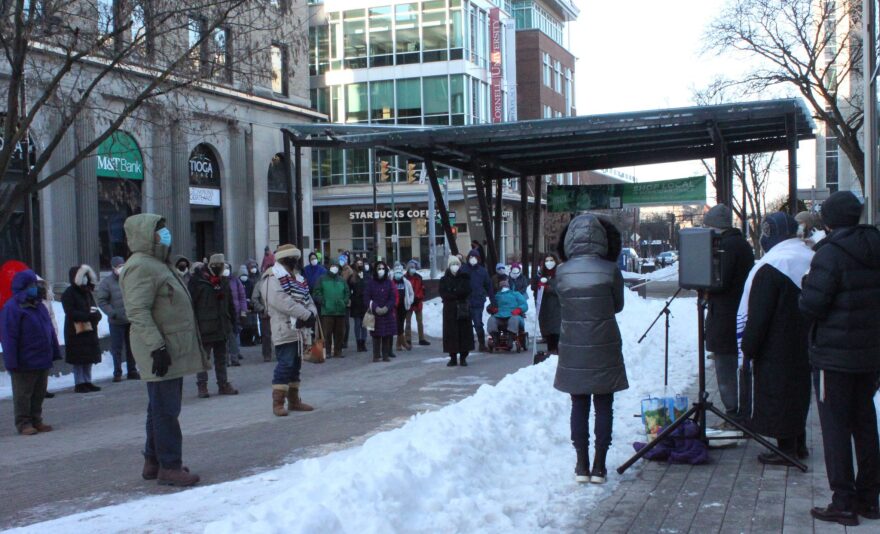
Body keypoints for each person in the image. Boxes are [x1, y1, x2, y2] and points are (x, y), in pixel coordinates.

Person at [799, 191, 880, 526]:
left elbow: (811, 305)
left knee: (834, 429)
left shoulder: (829, 255)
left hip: (834, 359)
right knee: (865, 424)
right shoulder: (875, 246)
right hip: (870, 355)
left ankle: (843, 501)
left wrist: (806, 285)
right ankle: (869, 499)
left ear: (829, 221)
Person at [120, 214, 206, 486]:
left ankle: (153, 460)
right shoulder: (141, 267)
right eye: (159, 231)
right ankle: (170, 465)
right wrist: (156, 347)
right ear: (145, 236)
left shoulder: (158, 264)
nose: (165, 234)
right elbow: (137, 311)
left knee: (158, 407)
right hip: (160, 349)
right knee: (166, 410)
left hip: (169, 347)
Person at [553, 214, 627, 485]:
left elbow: (563, 304)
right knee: (604, 404)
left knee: (579, 404)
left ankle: (581, 464)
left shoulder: (561, 272)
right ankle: (599, 466)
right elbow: (617, 306)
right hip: (605, 344)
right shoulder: (610, 270)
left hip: (574, 346)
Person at [738, 212, 813, 466]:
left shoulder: (772, 265)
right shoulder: (809, 257)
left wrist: (748, 346)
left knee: (779, 395)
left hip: (775, 346)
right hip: (806, 342)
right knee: (799, 394)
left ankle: (786, 449)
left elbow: (759, 314)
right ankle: (799, 443)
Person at [703, 203, 754, 424]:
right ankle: (743, 411)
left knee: (725, 367)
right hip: (737, 314)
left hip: (725, 316)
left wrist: (704, 285)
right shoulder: (741, 244)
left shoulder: (727, 246)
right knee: (739, 366)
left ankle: (733, 414)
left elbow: (719, 281)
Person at [1, 270, 61, 435]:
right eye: (32, 285)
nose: (36, 287)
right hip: (24, 361)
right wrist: (11, 361)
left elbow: (49, 329)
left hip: (42, 358)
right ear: (23, 287)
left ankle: (36, 420)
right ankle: (23, 423)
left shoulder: (39, 305)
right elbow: (9, 337)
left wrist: (54, 351)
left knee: (38, 393)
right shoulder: (12, 308)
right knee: (23, 395)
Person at [262, 244, 317, 416]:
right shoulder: (272, 277)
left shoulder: (298, 278)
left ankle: (294, 401)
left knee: (295, 366)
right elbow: (282, 301)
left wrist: (311, 314)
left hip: (299, 330)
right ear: (284, 259)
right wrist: (305, 314)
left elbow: (309, 300)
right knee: (285, 364)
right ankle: (278, 403)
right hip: (284, 328)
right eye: (292, 259)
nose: (295, 262)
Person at [189, 254, 238, 398]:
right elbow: (191, 304)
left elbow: (229, 303)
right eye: (216, 266)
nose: (219, 269)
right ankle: (202, 385)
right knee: (204, 359)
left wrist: (233, 322)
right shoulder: (198, 281)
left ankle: (223, 384)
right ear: (209, 265)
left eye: (221, 266)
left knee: (221, 358)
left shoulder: (223, 281)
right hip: (204, 326)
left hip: (222, 326)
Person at [96, 256, 140, 382]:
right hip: (116, 321)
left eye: (123, 265)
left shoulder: (129, 279)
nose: (121, 268)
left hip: (130, 319)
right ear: (113, 268)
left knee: (132, 347)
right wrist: (112, 313)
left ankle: (132, 370)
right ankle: (117, 372)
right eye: (119, 266)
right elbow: (102, 301)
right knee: (117, 348)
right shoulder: (107, 283)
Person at [61, 265, 102, 393]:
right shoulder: (69, 293)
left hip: (89, 329)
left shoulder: (87, 292)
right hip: (76, 331)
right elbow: (70, 312)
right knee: (78, 358)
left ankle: (87, 381)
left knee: (88, 357)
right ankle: (79, 382)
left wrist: (96, 316)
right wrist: (87, 316)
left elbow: (94, 307)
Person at [439, 256, 473, 367]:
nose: (455, 266)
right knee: (451, 334)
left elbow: (466, 291)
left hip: (462, 309)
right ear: (449, 266)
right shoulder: (444, 280)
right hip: (449, 311)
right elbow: (443, 293)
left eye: (457, 264)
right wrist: (456, 293)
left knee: (464, 333)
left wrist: (453, 293)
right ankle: (452, 357)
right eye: (452, 264)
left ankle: (463, 357)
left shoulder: (465, 278)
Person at [312, 259, 350, 358]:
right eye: (333, 265)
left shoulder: (341, 280)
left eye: (336, 266)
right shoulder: (322, 279)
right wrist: (323, 302)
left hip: (340, 311)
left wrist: (344, 302)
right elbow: (316, 292)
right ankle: (328, 351)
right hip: (327, 311)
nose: (335, 268)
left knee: (340, 333)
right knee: (327, 333)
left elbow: (347, 292)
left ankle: (338, 351)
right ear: (329, 267)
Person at [461, 249, 494, 352]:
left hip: (478, 301)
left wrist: (492, 299)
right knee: (465, 324)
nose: (473, 259)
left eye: (475, 257)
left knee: (478, 323)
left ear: (479, 259)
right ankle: (466, 344)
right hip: (465, 301)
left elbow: (489, 286)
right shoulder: (463, 269)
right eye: (471, 257)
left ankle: (481, 344)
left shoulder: (482, 271)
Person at [364, 260, 396, 362]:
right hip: (375, 313)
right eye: (379, 269)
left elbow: (392, 297)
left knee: (387, 335)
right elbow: (366, 297)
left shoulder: (389, 283)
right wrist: (375, 307)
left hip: (387, 312)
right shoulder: (371, 283)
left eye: (383, 269)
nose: (381, 271)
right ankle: (376, 355)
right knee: (376, 336)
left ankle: (385, 355)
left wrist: (387, 307)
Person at [533, 253, 562, 353]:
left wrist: (550, 289)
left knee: (556, 333)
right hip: (545, 309)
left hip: (557, 308)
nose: (549, 263)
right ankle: (550, 355)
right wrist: (539, 288)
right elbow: (535, 290)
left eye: (551, 260)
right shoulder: (541, 274)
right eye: (546, 261)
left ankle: (557, 354)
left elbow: (562, 290)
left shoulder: (560, 274)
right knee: (548, 333)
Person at [486, 279, 528, 343]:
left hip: (513, 315)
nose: (504, 288)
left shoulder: (516, 294)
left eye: (505, 286)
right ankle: (495, 337)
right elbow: (491, 305)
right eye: (502, 287)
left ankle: (510, 338)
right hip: (499, 316)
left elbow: (524, 304)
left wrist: (519, 309)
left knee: (514, 319)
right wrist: (491, 308)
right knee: (491, 320)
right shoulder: (497, 296)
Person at [226, 262, 248, 367]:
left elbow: (242, 297)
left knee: (234, 336)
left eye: (228, 268)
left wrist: (243, 311)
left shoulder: (235, 281)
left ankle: (234, 357)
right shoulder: (217, 281)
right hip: (223, 313)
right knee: (225, 337)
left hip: (235, 312)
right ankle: (225, 359)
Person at [404, 260, 430, 347]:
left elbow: (422, 289)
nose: (413, 269)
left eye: (414, 267)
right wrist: (410, 299)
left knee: (420, 321)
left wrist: (418, 297)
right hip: (408, 302)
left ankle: (421, 338)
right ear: (408, 269)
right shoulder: (404, 278)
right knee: (408, 322)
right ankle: (408, 339)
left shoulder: (419, 277)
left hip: (418, 302)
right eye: (411, 267)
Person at [252, 267, 275, 363]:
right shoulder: (259, 284)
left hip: (276, 313)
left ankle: (279, 353)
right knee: (266, 336)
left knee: (278, 334)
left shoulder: (277, 283)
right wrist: (261, 309)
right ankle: (267, 355)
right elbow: (254, 299)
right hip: (265, 313)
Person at [392, 264, 415, 352]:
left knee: (401, 324)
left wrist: (410, 301)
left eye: (400, 272)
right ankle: (404, 343)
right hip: (394, 307)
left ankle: (398, 344)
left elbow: (411, 293)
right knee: (398, 325)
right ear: (394, 273)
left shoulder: (406, 282)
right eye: (396, 272)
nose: (398, 274)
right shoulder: (391, 283)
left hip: (404, 307)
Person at [239, 260, 260, 346]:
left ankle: (252, 339)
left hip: (250, 306)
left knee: (251, 324)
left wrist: (251, 301)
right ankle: (244, 340)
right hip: (243, 307)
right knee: (244, 324)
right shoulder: (239, 282)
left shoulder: (250, 282)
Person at [350, 261, 369, 352]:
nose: (360, 265)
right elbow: (349, 288)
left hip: (365, 303)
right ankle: (358, 343)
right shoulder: (353, 276)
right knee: (357, 324)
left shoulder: (367, 276)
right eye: (358, 263)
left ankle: (363, 343)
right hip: (356, 303)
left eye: (362, 263)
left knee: (364, 324)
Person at [338, 253, 356, 349]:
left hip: (346, 299)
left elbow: (345, 283)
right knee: (342, 321)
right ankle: (342, 340)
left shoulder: (348, 271)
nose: (340, 262)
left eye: (342, 260)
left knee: (345, 321)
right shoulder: (341, 270)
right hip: (341, 298)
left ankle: (344, 341)